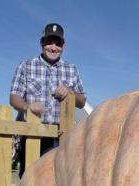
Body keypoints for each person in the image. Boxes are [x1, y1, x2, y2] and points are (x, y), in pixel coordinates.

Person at [10, 23, 86, 177]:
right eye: (49, 42)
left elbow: (82, 101)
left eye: (58, 43)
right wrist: (28, 107)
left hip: (61, 138)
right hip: (32, 134)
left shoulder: (72, 69)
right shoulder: (25, 65)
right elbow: (14, 98)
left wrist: (71, 92)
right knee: (29, 181)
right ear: (42, 43)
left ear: (63, 46)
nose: (53, 47)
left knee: (58, 183)